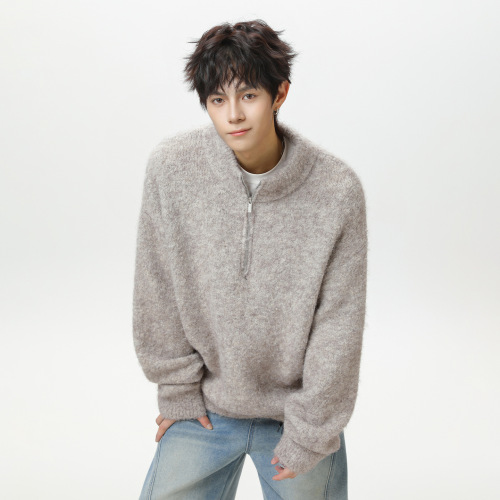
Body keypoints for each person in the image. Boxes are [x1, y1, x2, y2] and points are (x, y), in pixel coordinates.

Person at [133, 18, 368, 500]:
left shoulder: (337, 191)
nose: (234, 115)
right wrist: (177, 392)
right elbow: (156, 286)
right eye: (217, 100)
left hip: (297, 418)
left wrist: (311, 431)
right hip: (205, 405)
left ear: (279, 94)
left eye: (249, 95)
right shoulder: (171, 169)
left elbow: (339, 325)